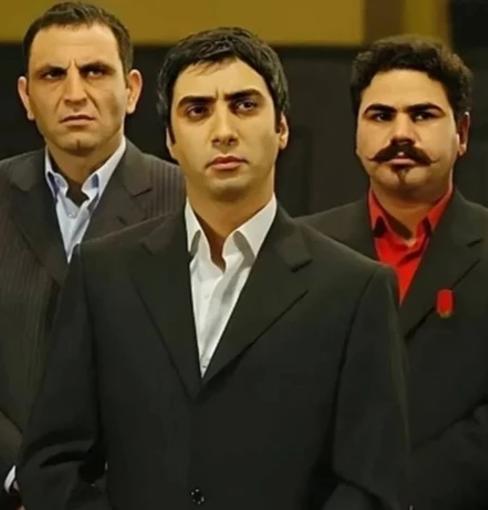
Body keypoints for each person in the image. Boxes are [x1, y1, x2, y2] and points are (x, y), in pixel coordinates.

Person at [17, 26, 407, 510]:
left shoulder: (354, 288)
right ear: (171, 139)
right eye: (197, 110)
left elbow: (371, 482)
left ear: (282, 128)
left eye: (244, 105)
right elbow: (52, 462)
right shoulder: (104, 273)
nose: (223, 131)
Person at [303, 35, 488, 509]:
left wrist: (390, 499)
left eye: (422, 115)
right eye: (381, 116)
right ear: (356, 134)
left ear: (462, 133)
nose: (400, 133)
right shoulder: (304, 249)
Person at [0, 3, 183, 508]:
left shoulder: (189, 201)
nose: (75, 93)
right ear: (26, 97)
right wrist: (23, 475)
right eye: (53, 75)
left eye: (95, 71)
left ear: (132, 90)